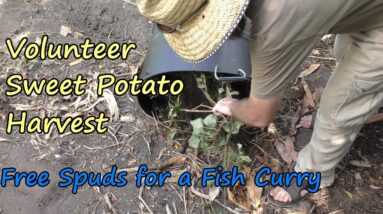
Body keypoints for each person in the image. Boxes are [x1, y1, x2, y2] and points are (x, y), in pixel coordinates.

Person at [136, 0, 383, 208]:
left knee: (340, 109)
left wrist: (231, 106)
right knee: (347, 47)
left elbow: (259, 116)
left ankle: (313, 175)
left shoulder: (272, 28)